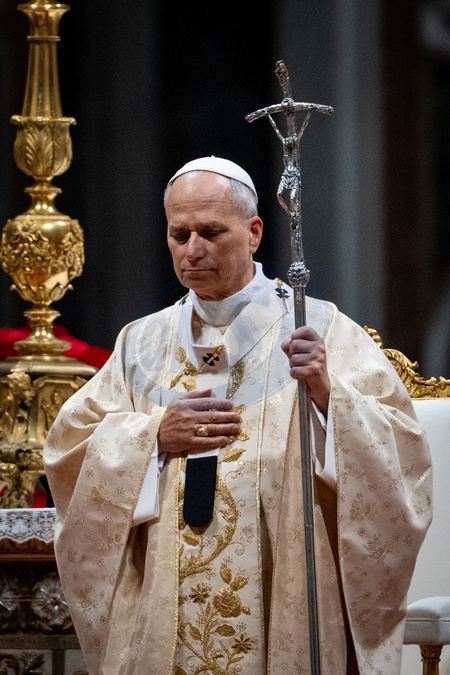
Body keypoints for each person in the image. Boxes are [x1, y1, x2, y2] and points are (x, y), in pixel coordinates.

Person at [43, 156, 432, 675]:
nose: (193, 250)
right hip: (164, 595)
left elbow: (401, 451)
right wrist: (152, 434)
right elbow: (69, 447)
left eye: (211, 232)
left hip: (283, 579)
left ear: (253, 233)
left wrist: (326, 392)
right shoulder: (141, 342)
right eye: (179, 235)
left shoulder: (319, 329)